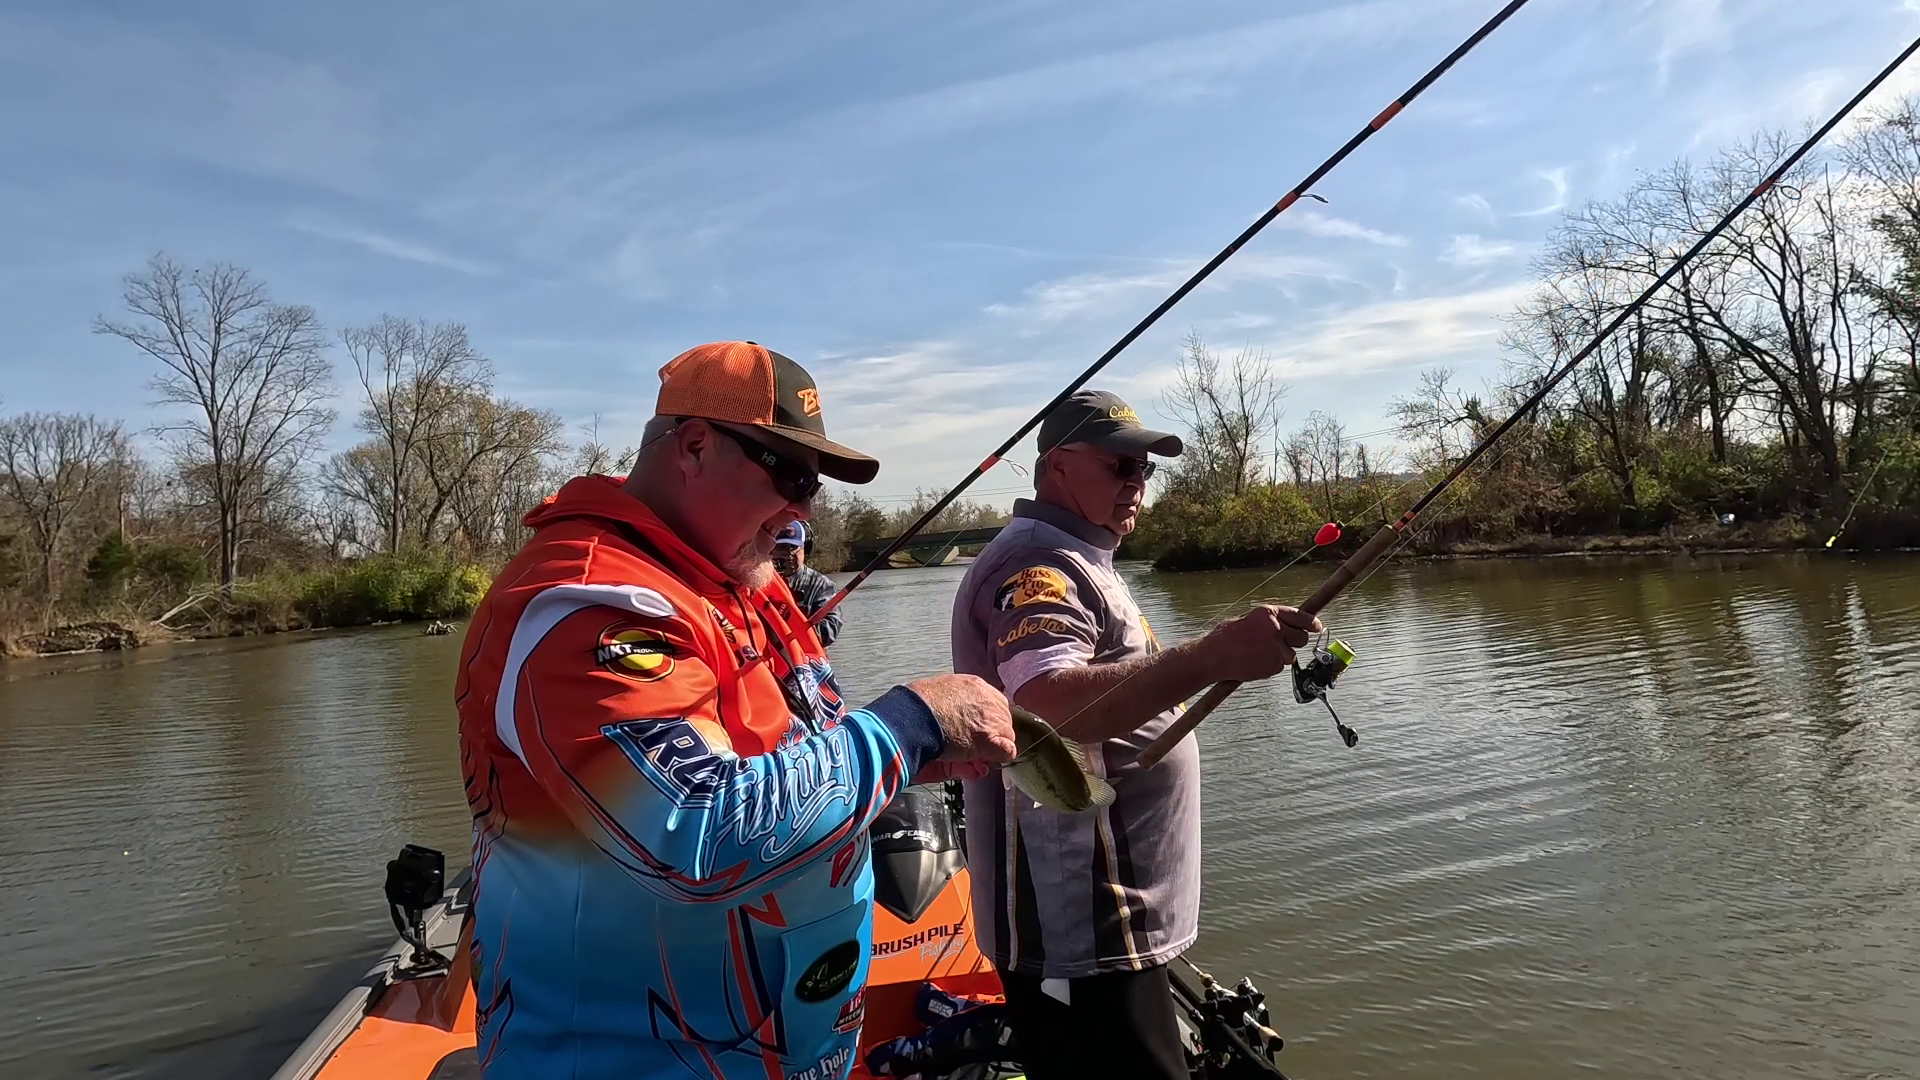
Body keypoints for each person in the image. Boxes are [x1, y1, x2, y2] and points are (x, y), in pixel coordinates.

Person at [454, 340, 1019, 1080]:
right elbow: (696, 832)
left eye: (812, 486)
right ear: (693, 446)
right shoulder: (584, 604)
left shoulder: (743, 580)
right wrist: (908, 724)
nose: (803, 509)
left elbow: (796, 750)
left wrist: (906, 757)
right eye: (788, 473)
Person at [949, 389, 1321, 1080]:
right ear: (1058, 466)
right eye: (1122, 465)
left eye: (1146, 470)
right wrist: (1210, 657)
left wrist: (1225, 653)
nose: (1137, 484)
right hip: (1078, 927)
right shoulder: (1040, 568)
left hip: (1104, 922)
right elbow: (1046, 702)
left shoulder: (1080, 557)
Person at [773, 520, 842, 647]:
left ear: (805, 548)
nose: (787, 555)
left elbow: (831, 626)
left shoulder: (822, 585)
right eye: (780, 548)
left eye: (792, 547)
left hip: (808, 659)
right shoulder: (757, 583)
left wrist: (797, 628)